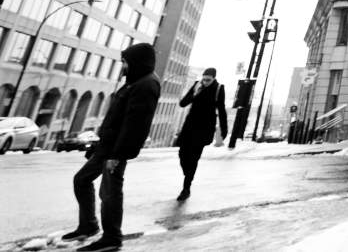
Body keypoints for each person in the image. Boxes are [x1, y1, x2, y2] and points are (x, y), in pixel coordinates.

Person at [63, 43, 161, 252]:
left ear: (135, 62)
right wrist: (98, 145)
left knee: (109, 193)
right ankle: (88, 226)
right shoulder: (133, 83)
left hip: (116, 151)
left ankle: (112, 238)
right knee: (81, 180)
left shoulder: (147, 85)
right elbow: (115, 120)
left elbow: (136, 125)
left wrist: (119, 154)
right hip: (107, 147)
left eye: (124, 62)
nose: (122, 66)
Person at [175, 67, 227, 201]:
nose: (205, 82)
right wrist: (195, 94)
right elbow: (182, 103)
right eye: (204, 79)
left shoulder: (219, 89)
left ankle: (186, 188)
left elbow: (221, 110)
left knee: (194, 158)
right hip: (189, 126)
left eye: (208, 80)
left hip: (204, 128)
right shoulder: (197, 85)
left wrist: (224, 129)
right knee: (182, 154)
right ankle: (188, 175)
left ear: (213, 79)